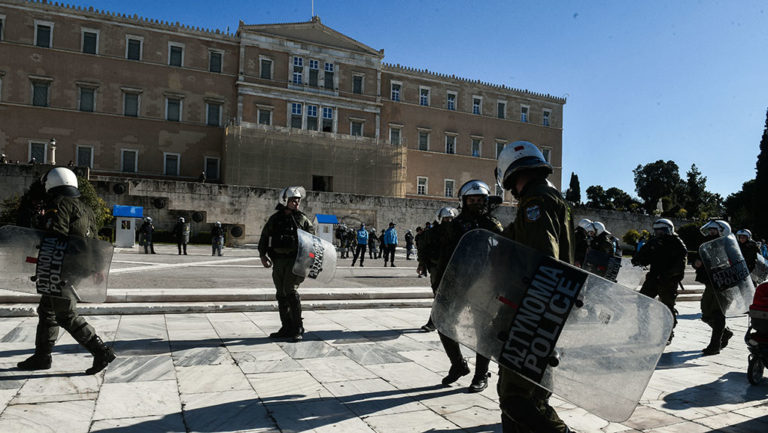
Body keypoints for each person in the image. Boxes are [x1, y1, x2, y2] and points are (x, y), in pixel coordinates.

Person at [496, 141, 575, 433]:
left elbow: (543, 258)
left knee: (516, 398)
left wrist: (530, 316)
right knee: (534, 394)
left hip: (533, 307)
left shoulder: (535, 201)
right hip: (549, 306)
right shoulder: (555, 199)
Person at [17, 167, 116, 374]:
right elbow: (94, 240)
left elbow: (55, 234)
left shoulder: (58, 204)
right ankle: (42, 356)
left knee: (65, 314)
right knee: (47, 309)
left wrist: (39, 222)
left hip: (61, 266)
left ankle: (100, 351)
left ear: (52, 184)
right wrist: (97, 268)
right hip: (80, 267)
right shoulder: (85, 207)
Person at [423, 183, 502, 392]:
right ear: (464, 202)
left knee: (482, 329)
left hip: (483, 283)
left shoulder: (492, 224)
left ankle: (481, 374)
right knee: (441, 321)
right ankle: (458, 364)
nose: (476, 203)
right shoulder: (455, 225)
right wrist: (440, 281)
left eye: (479, 200)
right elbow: (445, 254)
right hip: (457, 281)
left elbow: (504, 250)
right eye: (471, 200)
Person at [258, 186, 315, 342]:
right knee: (281, 293)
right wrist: (262, 255)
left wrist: (309, 260)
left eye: (297, 200)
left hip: (295, 261)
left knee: (290, 291)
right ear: (285, 201)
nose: (296, 203)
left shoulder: (302, 219)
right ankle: (286, 327)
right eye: (292, 200)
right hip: (278, 261)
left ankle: (298, 328)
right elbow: (265, 236)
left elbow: (312, 242)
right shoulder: (275, 219)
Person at [632, 218, 688, 344]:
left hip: (668, 281)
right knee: (642, 302)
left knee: (667, 308)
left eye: (662, 231)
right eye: (657, 231)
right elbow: (644, 255)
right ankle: (642, 331)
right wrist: (637, 260)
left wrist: (668, 275)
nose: (659, 233)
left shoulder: (677, 243)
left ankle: (667, 334)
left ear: (669, 230)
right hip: (653, 278)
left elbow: (680, 264)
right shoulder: (654, 242)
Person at [694, 220, 734, 356]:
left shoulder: (729, 245)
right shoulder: (706, 244)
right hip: (710, 282)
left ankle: (714, 345)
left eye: (714, 230)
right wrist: (696, 263)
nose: (711, 232)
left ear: (722, 231)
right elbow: (697, 257)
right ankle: (726, 333)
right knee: (706, 314)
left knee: (718, 314)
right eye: (710, 230)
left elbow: (735, 262)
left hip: (724, 283)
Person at [417, 206, 458, 332]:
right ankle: (433, 321)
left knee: (451, 295)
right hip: (436, 267)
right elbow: (423, 249)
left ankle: (445, 320)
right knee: (438, 294)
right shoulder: (430, 233)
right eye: (446, 219)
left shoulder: (457, 232)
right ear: (440, 219)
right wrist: (421, 264)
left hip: (453, 267)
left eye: (451, 218)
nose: (449, 221)